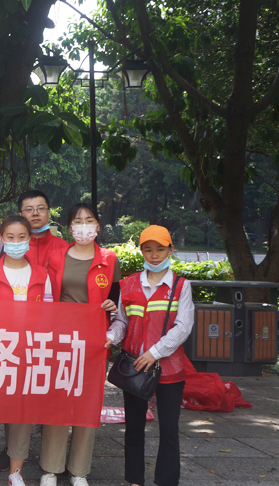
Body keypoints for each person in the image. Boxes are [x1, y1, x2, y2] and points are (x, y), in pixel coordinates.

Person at [39, 203, 120, 486]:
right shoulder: (57, 256)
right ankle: (51, 467)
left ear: (98, 225)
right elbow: (47, 297)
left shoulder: (109, 258)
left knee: (88, 404)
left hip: (94, 340)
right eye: (78, 220)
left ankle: (79, 471)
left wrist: (113, 305)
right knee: (58, 402)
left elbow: (116, 297)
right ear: (70, 227)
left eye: (89, 220)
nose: (84, 226)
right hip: (61, 339)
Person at [106, 226, 193, 486]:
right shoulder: (129, 284)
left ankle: (167, 481)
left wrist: (154, 353)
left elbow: (183, 327)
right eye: (148, 249)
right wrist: (111, 336)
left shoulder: (180, 286)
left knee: (169, 429)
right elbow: (122, 321)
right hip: (134, 367)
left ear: (170, 250)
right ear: (141, 251)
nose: (154, 255)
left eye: (160, 249)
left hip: (169, 368)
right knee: (133, 427)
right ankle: (135, 481)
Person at [0, 216, 52, 486]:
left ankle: (15, 472)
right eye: (10, 237)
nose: (16, 242)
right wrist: (2, 341)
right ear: (2, 239)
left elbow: (48, 315)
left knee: (22, 412)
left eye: (21, 237)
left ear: (29, 239)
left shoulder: (41, 274)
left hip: (28, 351)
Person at [16, 190, 68, 269]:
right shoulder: (13, 247)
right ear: (20, 216)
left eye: (41, 208)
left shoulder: (63, 246)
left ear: (49, 213)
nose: (35, 213)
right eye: (29, 209)